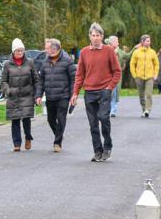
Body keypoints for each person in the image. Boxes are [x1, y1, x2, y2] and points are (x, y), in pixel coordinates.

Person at [71, 22, 121, 162]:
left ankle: (107, 147)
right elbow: (80, 74)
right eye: (93, 35)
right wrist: (75, 93)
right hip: (89, 91)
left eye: (98, 35)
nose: (95, 38)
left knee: (103, 118)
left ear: (102, 36)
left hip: (104, 90)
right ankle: (97, 151)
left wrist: (109, 87)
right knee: (93, 124)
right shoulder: (84, 52)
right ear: (89, 36)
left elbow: (117, 71)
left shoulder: (108, 51)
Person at [0, 37, 39, 151]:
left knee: (26, 119)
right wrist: (8, 91)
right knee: (15, 120)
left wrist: (37, 94)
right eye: (18, 50)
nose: (20, 52)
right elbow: (3, 81)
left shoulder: (30, 62)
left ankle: (28, 137)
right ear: (13, 51)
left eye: (21, 50)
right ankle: (17, 144)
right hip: (13, 96)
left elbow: (36, 79)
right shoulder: (7, 64)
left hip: (27, 95)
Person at [35, 38, 76, 152]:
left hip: (63, 96)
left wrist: (73, 95)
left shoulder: (67, 61)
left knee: (61, 118)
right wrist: (38, 95)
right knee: (50, 120)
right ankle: (59, 134)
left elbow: (74, 79)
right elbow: (41, 81)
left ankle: (57, 143)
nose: (47, 51)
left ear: (57, 49)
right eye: (48, 49)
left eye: (49, 49)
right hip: (50, 96)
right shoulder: (44, 63)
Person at [130, 34, 159, 117]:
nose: (149, 42)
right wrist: (134, 75)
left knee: (149, 94)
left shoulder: (152, 52)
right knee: (141, 95)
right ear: (142, 42)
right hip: (139, 76)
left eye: (149, 41)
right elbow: (132, 64)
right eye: (147, 41)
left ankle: (147, 110)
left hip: (150, 77)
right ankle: (144, 109)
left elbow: (156, 64)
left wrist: (155, 74)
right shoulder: (136, 52)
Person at [106, 35, 123, 120]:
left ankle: (113, 111)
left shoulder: (118, 52)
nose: (118, 43)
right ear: (112, 42)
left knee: (115, 93)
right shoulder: (106, 50)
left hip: (116, 76)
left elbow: (125, 56)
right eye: (117, 42)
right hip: (107, 76)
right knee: (109, 93)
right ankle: (107, 109)